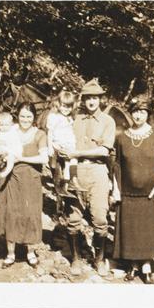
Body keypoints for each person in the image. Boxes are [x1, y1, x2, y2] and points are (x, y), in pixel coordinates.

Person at [57, 78, 116, 276]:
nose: (91, 101)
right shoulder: (75, 119)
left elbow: (104, 151)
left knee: (100, 218)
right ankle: (76, 258)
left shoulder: (108, 121)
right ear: (83, 99)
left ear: (101, 100)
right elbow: (61, 138)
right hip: (75, 170)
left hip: (98, 172)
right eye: (88, 98)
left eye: (95, 98)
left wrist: (77, 153)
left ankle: (99, 259)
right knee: (73, 218)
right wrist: (62, 151)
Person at [112, 96, 154, 284]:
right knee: (131, 231)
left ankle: (145, 266)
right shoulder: (122, 138)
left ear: (148, 114)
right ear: (131, 113)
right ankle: (134, 265)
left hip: (149, 194)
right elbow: (117, 165)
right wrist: (116, 189)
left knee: (146, 231)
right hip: (128, 193)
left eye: (142, 112)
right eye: (135, 111)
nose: (138, 115)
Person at [0, 102, 48, 268]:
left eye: (29, 116)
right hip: (11, 178)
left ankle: (30, 253)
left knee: (31, 214)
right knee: (11, 213)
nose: (25, 119)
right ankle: (10, 254)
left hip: (31, 180)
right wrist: (1, 156)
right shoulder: (10, 131)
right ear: (17, 115)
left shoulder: (40, 134)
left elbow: (43, 158)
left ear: (34, 117)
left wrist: (21, 159)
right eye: (22, 116)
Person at [45, 89, 84, 195]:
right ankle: (66, 182)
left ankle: (70, 181)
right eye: (63, 106)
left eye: (69, 106)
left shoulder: (70, 118)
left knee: (72, 159)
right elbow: (50, 132)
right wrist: (49, 147)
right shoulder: (54, 116)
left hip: (68, 144)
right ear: (59, 104)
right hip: (58, 143)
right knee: (66, 160)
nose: (66, 109)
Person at [0, 112, 23, 180]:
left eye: (6, 125)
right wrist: (0, 145)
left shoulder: (13, 130)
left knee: (10, 159)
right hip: (3, 148)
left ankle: (5, 172)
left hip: (12, 150)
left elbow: (19, 125)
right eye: (2, 125)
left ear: (11, 124)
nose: (4, 127)